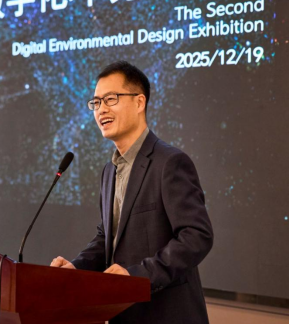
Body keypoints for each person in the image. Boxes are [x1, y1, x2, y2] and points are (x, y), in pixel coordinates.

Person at [51, 61, 214, 324]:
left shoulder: (170, 162)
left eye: (110, 99)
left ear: (139, 102)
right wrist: (76, 267)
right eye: (96, 102)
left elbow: (197, 236)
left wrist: (138, 276)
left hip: (166, 314)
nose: (101, 109)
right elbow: (108, 237)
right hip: (122, 313)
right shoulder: (109, 170)